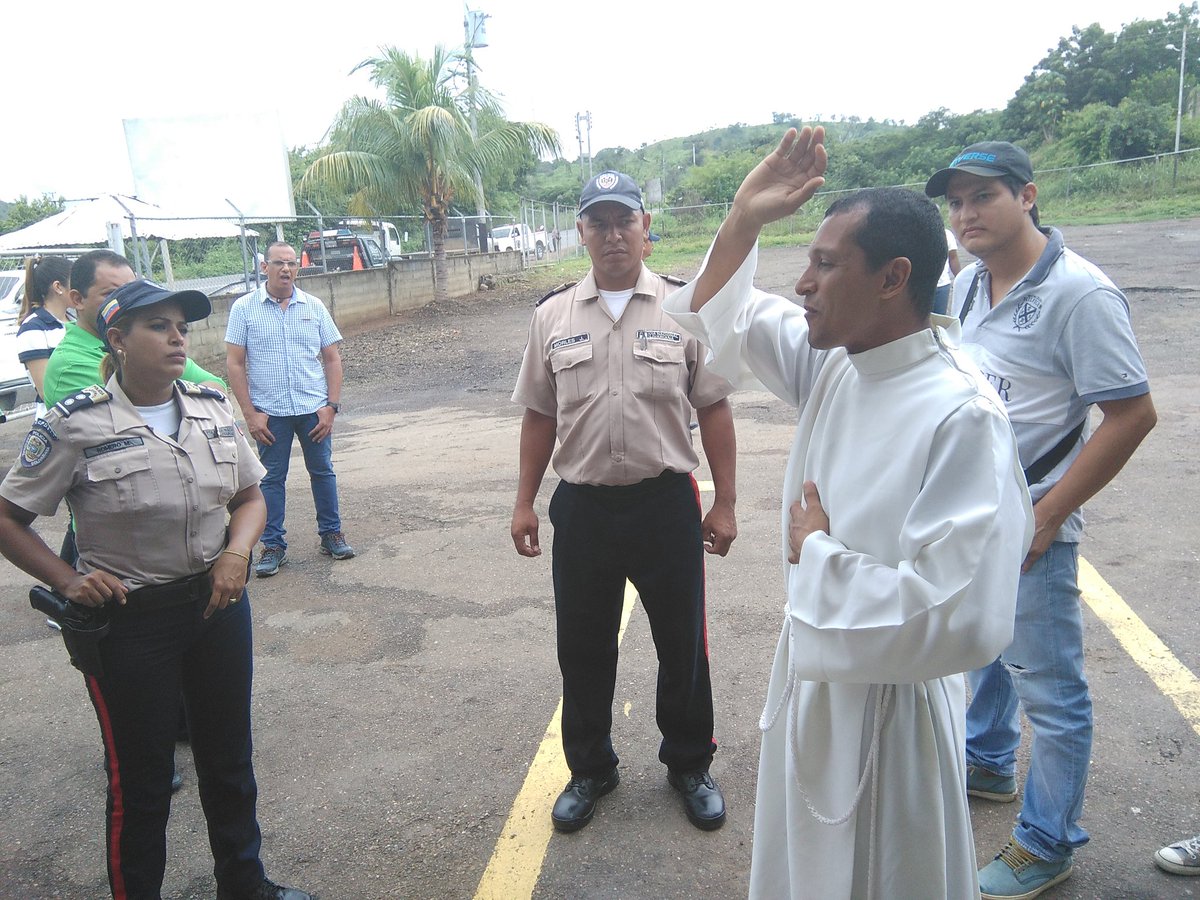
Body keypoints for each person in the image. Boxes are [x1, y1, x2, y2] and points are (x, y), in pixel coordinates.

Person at [663, 127, 1033, 899]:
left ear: (894, 277)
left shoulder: (960, 413)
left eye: (825, 265)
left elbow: (962, 616)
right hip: (814, 689)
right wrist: (743, 218)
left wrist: (820, 554)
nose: (803, 285)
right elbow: (724, 318)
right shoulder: (838, 361)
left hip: (894, 722)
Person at [0, 279, 311, 900]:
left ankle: (245, 885)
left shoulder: (211, 404)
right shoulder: (75, 422)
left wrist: (237, 554)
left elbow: (250, 498)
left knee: (228, 762)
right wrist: (67, 579)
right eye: (158, 326)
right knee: (140, 781)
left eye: (181, 325)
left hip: (217, 606)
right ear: (116, 340)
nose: (178, 337)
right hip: (129, 624)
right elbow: (9, 517)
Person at [925, 141, 1157, 899]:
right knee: (987, 648)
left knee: (1052, 694)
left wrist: (1050, 515)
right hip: (977, 514)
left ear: (1027, 196)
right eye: (956, 203)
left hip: (1035, 520)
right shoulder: (964, 284)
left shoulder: (1080, 294)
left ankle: (1047, 840)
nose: (966, 215)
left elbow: (1131, 414)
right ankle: (987, 763)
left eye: (982, 197)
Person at [510, 170, 738, 833]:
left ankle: (690, 762)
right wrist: (523, 503)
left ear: (645, 227)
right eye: (598, 222)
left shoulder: (683, 308)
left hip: (666, 504)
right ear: (581, 232)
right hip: (583, 509)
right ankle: (590, 768)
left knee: (682, 644)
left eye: (624, 220)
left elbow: (715, 407)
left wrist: (724, 502)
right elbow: (537, 417)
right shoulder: (551, 316)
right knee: (582, 646)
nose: (612, 234)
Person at [225, 241, 354, 577]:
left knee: (323, 472)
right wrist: (250, 414)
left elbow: (332, 358)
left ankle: (331, 534)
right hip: (271, 414)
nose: (286, 269)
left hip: (313, 409)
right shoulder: (244, 309)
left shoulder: (312, 306)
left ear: (298, 268)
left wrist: (331, 407)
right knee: (269, 480)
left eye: (292, 263)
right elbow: (235, 364)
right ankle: (273, 546)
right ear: (264, 267)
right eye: (278, 263)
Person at [43, 249, 225, 409]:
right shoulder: (70, 365)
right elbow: (132, 414)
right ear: (77, 299)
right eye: (112, 294)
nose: (127, 302)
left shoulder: (147, 346)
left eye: (133, 291)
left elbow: (216, 388)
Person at [15, 255, 73, 417]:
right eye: (76, 282)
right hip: (59, 421)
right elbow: (46, 391)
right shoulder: (33, 328)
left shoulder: (74, 321)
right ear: (58, 287)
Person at [933, 227, 961, 315]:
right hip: (919, 287)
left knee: (939, 320)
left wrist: (960, 278)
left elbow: (953, 258)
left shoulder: (947, 235)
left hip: (942, 286)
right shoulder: (915, 234)